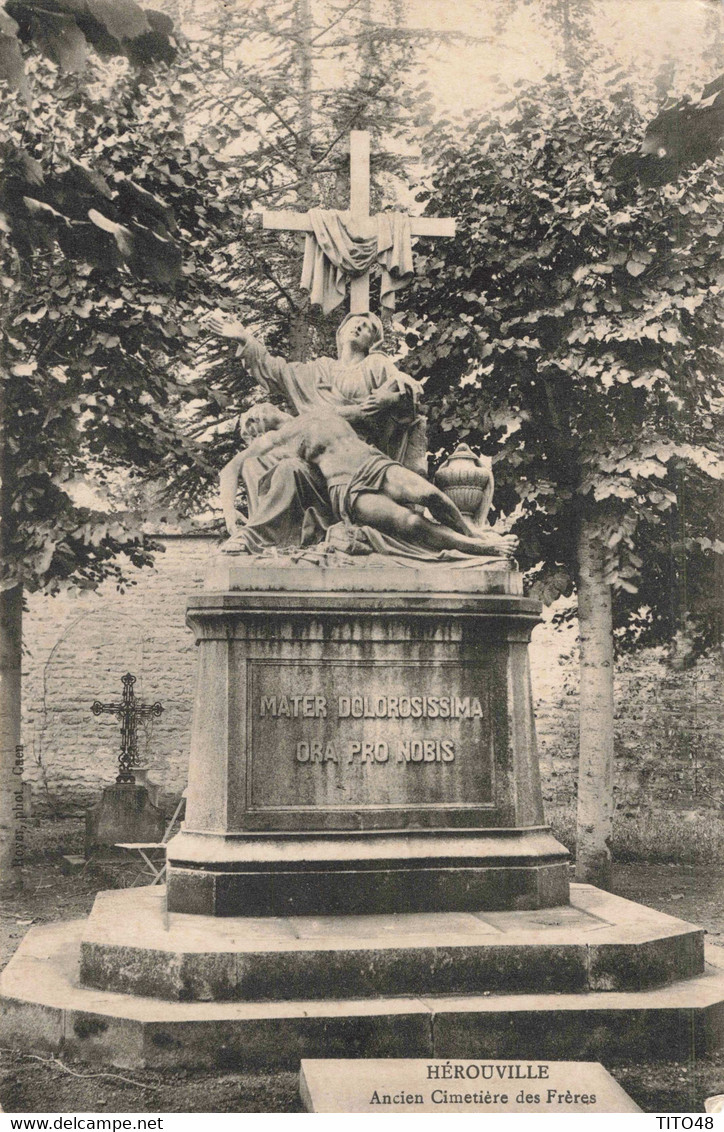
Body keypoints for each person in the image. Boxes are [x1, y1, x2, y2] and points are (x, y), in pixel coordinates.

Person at [220, 408, 518, 559]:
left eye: (256, 412)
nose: (255, 417)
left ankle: (475, 534)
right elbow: (230, 470)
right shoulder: (275, 441)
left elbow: (374, 409)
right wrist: (232, 519)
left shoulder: (318, 409)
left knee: (432, 495)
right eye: (251, 420)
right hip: (347, 488)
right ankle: (481, 549)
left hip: (374, 463)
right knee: (410, 524)